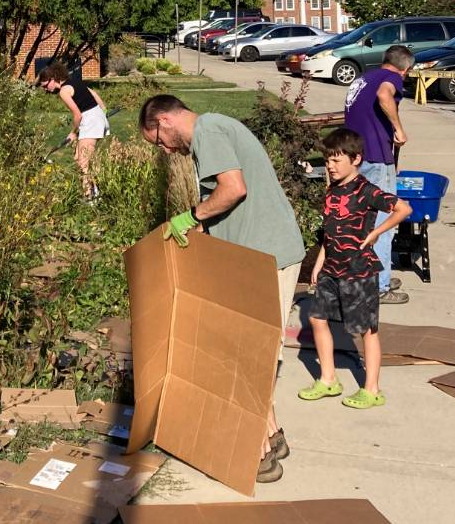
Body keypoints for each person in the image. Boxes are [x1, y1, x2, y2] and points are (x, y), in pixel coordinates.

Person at [138, 94, 305, 484]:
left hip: (266, 258)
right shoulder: (216, 129)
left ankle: (257, 454)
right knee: (253, 351)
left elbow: (233, 189)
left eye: (159, 141)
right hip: (259, 256)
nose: (165, 150)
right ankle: (272, 436)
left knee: (249, 356)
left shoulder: (208, 130)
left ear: (164, 121)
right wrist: (202, 226)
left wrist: (191, 214)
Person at [298, 128, 411, 408]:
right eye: (328, 161)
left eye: (337, 161)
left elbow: (403, 209)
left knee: (366, 330)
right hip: (331, 269)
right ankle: (328, 379)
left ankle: (371, 388)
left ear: (356, 159)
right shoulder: (332, 189)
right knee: (317, 318)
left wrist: (376, 233)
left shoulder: (366, 190)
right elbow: (331, 228)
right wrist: (320, 261)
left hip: (359, 271)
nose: (330, 166)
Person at [343, 44, 415, 305]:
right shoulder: (391, 78)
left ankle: (370, 276)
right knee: (385, 221)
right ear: (405, 69)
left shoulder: (364, 77)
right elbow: (385, 97)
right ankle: (379, 286)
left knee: (361, 218)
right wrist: (399, 129)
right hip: (374, 157)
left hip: (355, 155)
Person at [37, 60, 109, 200]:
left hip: (89, 122)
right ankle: (95, 191)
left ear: (53, 79)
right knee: (78, 158)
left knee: (83, 162)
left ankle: (90, 197)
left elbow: (77, 115)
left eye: (45, 86)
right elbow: (93, 94)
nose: (46, 89)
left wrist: (73, 132)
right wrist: (103, 111)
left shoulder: (64, 91)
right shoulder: (74, 81)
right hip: (95, 118)